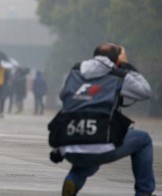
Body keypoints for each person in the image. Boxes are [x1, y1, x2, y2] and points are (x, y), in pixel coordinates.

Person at [53, 43, 154, 196]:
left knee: (90, 154)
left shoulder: (75, 71)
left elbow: (62, 95)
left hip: (68, 146)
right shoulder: (118, 75)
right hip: (99, 142)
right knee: (143, 140)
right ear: (117, 60)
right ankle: (144, 193)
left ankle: (73, 179)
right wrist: (126, 65)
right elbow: (145, 91)